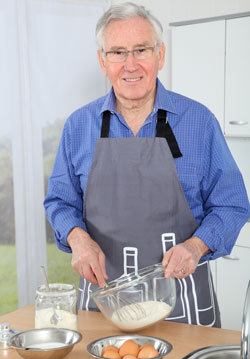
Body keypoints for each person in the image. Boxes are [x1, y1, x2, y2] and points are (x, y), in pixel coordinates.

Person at [44, 2, 250, 327]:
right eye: (117, 52)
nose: (130, 65)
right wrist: (77, 239)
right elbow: (59, 201)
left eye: (141, 49)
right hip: (102, 308)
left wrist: (197, 247)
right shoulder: (78, 126)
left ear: (160, 55)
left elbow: (232, 204)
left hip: (184, 311)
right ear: (102, 61)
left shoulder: (199, 122)